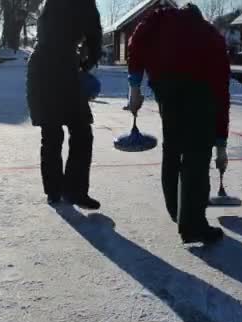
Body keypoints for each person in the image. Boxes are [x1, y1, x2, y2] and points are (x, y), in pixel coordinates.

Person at [127, 3, 230, 244]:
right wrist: (221, 143)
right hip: (200, 93)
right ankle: (193, 225)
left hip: (166, 88)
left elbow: (135, 42)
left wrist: (134, 86)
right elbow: (222, 92)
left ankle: (178, 211)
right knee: (196, 154)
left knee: (172, 147)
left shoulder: (160, 18)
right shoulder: (212, 36)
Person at [26, 0, 102, 208]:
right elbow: (94, 36)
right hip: (63, 66)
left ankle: (54, 191)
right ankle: (75, 191)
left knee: (51, 132)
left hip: (39, 65)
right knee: (81, 131)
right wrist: (86, 65)